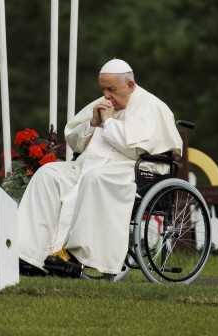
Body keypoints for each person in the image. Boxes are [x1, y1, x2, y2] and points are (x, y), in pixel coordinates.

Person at [16, 58, 183, 276]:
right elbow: (75, 141)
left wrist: (109, 122)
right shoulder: (102, 104)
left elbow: (133, 148)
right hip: (88, 166)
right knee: (49, 174)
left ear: (130, 85)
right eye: (103, 89)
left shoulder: (152, 107)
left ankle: (77, 258)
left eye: (111, 89)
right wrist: (93, 123)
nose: (106, 95)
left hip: (134, 171)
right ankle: (28, 254)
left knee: (94, 179)